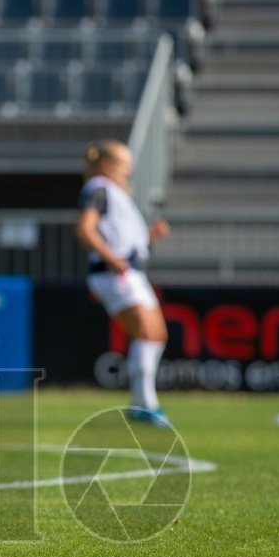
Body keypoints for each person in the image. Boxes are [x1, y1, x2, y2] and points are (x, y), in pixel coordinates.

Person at [75, 140, 172, 427]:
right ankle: (145, 404)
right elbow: (84, 229)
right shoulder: (99, 188)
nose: (128, 169)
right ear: (106, 164)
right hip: (114, 273)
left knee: (156, 335)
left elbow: (123, 236)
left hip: (131, 272)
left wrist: (149, 236)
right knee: (145, 333)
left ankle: (143, 403)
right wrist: (110, 256)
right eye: (123, 163)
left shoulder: (115, 193)